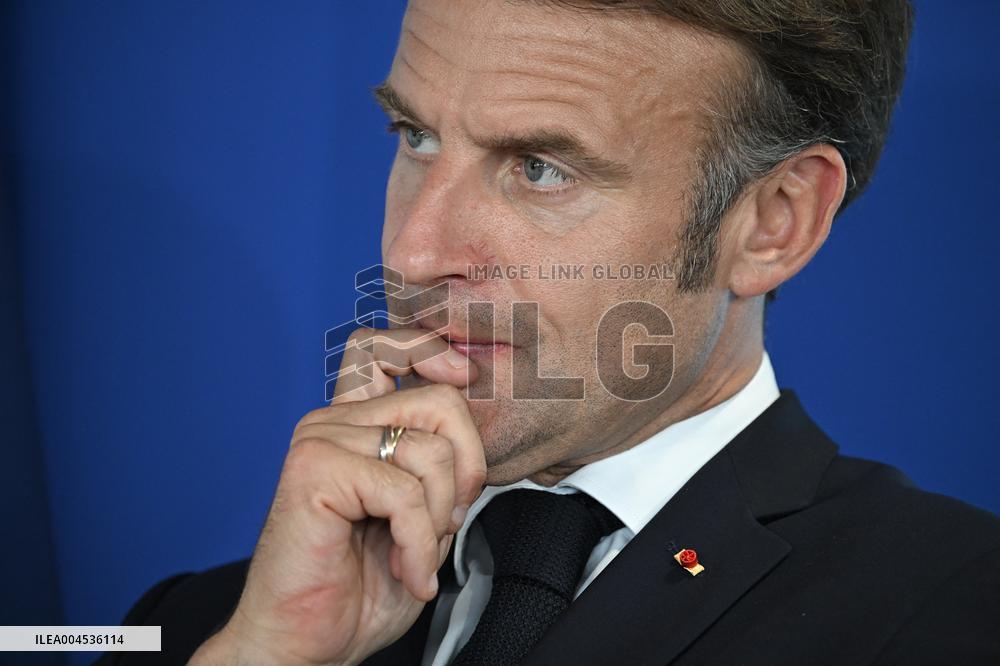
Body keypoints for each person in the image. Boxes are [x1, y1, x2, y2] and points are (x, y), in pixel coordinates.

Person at [102, 1, 1000, 664]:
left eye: (539, 168)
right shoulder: (203, 627)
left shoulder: (959, 615)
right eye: (416, 136)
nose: (414, 255)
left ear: (774, 220)